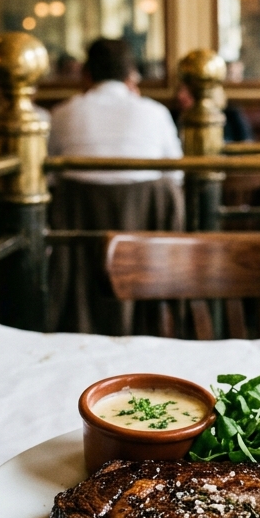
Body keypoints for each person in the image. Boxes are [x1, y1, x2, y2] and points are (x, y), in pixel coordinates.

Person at [48, 38, 184, 333]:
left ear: (86, 74)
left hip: (80, 240)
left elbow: (50, 176)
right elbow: (177, 175)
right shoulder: (155, 112)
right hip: (145, 241)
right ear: (130, 76)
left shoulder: (62, 113)